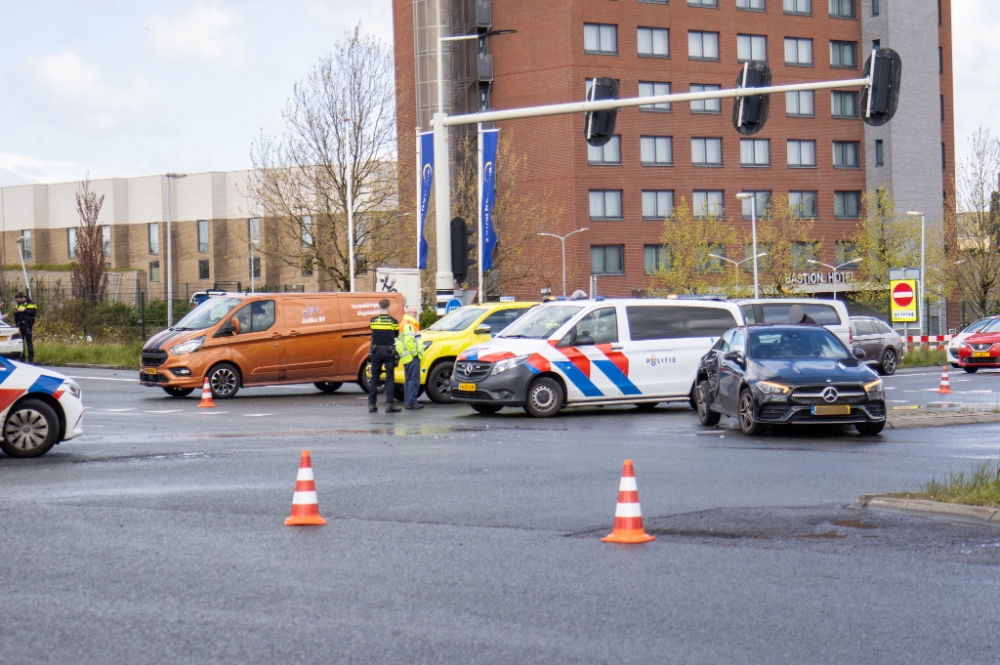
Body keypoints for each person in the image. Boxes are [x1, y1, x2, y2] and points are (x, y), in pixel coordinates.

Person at [368, 299, 400, 413]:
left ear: (379, 307)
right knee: (389, 379)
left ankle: (372, 405)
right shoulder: (393, 322)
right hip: (388, 352)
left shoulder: (373, 321)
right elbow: (396, 334)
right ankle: (389, 405)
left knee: (374, 379)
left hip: (376, 352)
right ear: (389, 308)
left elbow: (372, 331)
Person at [396, 305, 425, 410]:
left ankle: (408, 401)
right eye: (414, 312)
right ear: (409, 313)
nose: (416, 314)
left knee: (409, 380)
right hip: (412, 357)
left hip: (406, 357)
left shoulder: (405, 323)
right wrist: (415, 353)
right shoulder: (409, 325)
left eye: (416, 312)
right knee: (414, 380)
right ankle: (412, 401)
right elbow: (409, 342)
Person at [14, 292, 36, 363]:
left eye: (19, 300)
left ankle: (30, 359)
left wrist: (24, 310)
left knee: (29, 342)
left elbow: (33, 312)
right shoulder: (18, 304)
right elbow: (16, 312)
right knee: (21, 343)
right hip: (20, 325)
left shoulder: (30, 303)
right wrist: (15, 312)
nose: (18, 301)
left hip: (27, 325)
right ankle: (22, 359)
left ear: (22, 298)